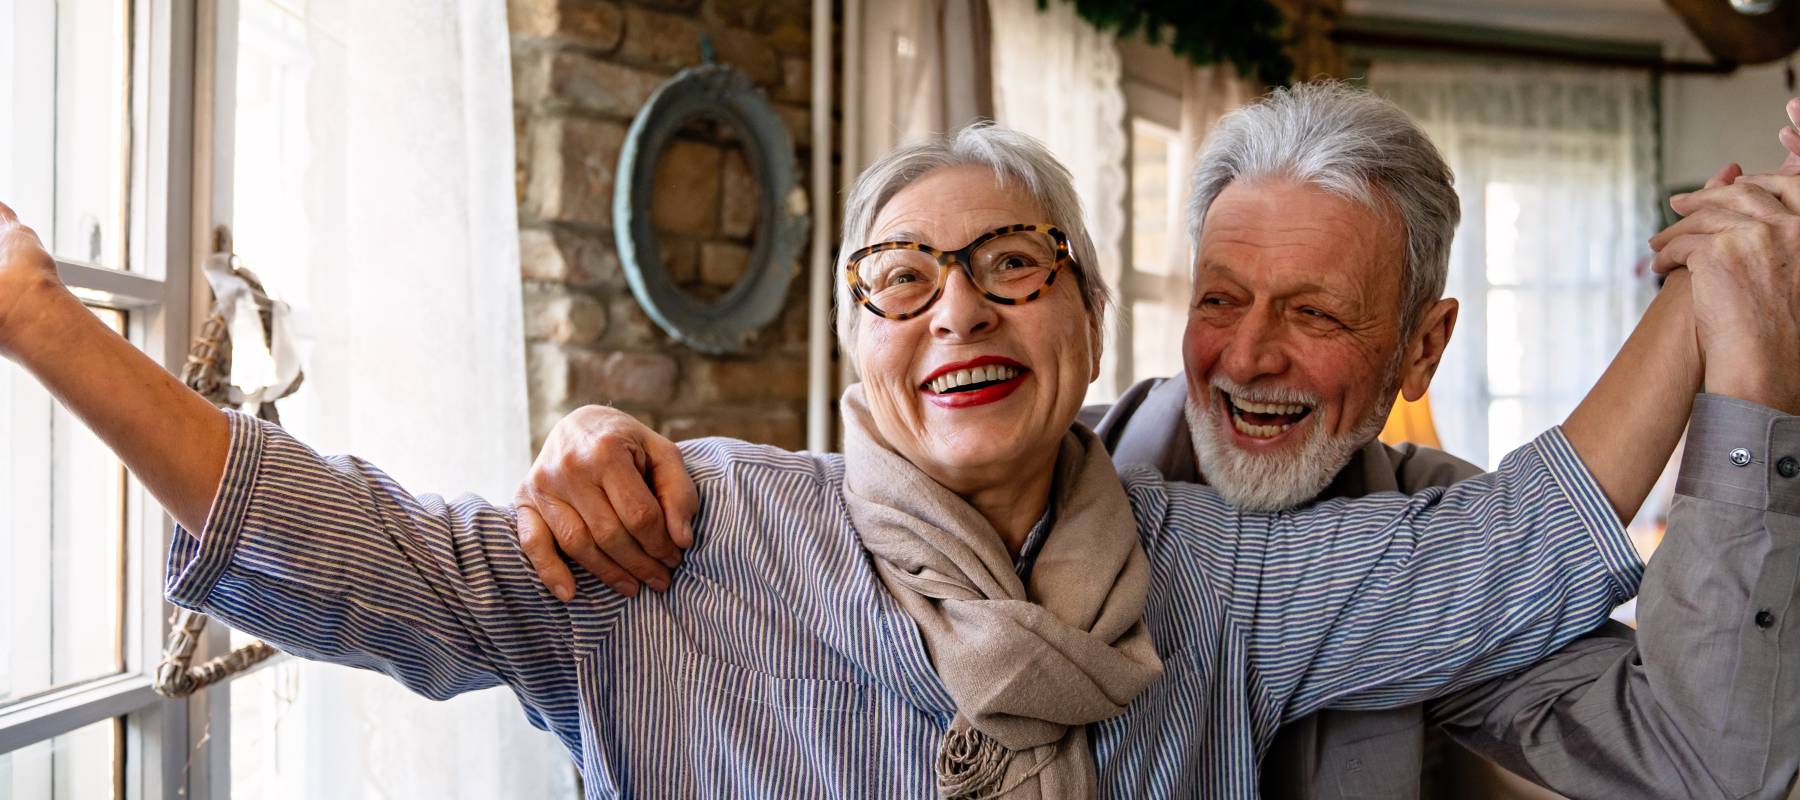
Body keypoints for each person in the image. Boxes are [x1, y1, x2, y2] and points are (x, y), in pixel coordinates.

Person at [0, 119, 1783, 797]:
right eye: (902, 277)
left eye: (1013, 264)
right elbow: (378, 561)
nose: (960, 309)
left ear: (1083, 318)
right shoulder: (686, 534)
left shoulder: (1219, 564)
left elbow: (1520, 541)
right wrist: (43, 323)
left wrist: (1730, 293)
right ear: (852, 351)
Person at [515, 86, 1800, 797]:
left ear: (1420, 348)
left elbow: (1709, 755)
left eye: (1314, 315)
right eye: (1220, 300)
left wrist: (1744, 361)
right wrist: (595, 440)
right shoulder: (1005, 487)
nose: (1246, 356)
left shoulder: (1447, 547)